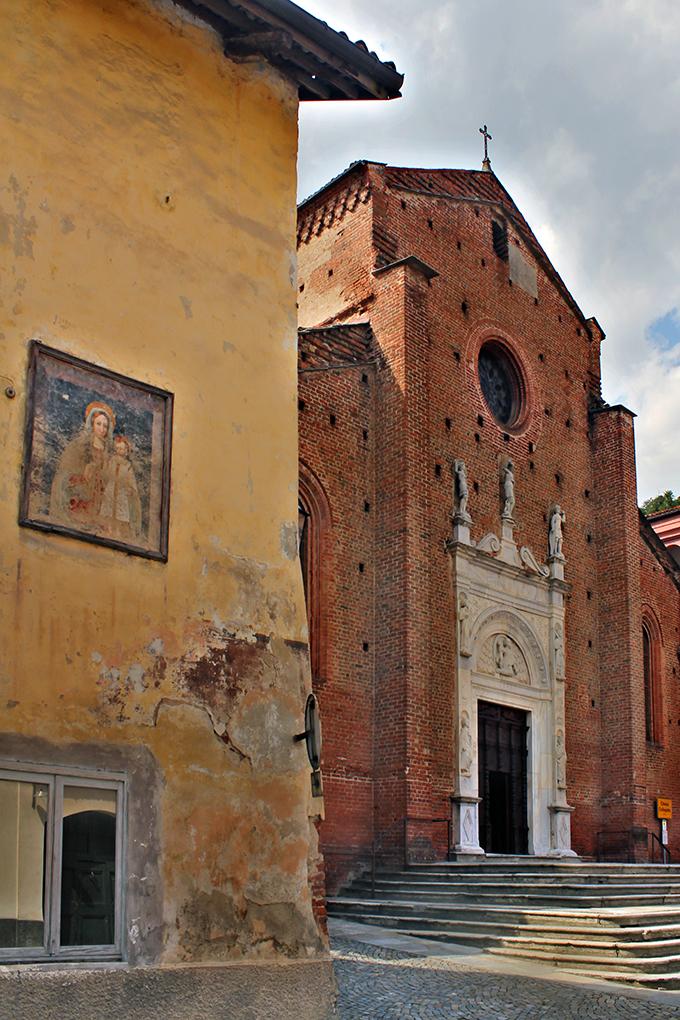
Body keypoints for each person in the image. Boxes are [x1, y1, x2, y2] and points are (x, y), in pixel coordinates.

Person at [50, 402, 115, 531]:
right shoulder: (78, 446)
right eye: (98, 424)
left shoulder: (110, 453)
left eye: (105, 426)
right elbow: (63, 474)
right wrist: (83, 477)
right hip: (81, 499)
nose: (102, 429)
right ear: (91, 424)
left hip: (101, 499)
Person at [99, 435, 142, 540]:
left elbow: (131, 480)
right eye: (117, 448)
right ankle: (110, 529)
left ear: (126, 450)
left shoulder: (127, 465)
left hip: (121, 492)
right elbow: (107, 472)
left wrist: (131, 489)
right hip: (111, 488)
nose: (119, 451)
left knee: (119, 514)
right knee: (109, 512)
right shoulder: (113, 460)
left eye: (121, 449)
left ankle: (118, 531)